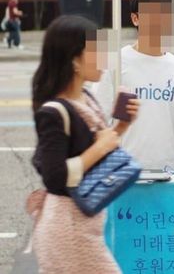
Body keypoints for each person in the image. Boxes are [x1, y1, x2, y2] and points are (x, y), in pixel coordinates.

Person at [30, 15, 139, 273]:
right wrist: (101, 146)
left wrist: (120, 128)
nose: (103, 58)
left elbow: (95, 154)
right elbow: (55, 178)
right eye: (96, 50)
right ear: (74, 60)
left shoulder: (86, 99)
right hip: (68, 228)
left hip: (83, 223)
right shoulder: (54, 112)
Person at [93, 0, 174, 170]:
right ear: (135, 18)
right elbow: (98, 121)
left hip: (170, 172)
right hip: (125, 172)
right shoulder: (115, 64)